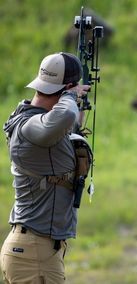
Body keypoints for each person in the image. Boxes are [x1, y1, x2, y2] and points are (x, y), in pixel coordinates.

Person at [0, 52, 91, 283]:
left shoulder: (38, 120)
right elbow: (65, 115)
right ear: (66, 88)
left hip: (37, 250)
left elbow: (68, 123)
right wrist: (70, 97)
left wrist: (72, 98)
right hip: (34, 254)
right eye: (71, 91)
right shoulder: (31, 126)